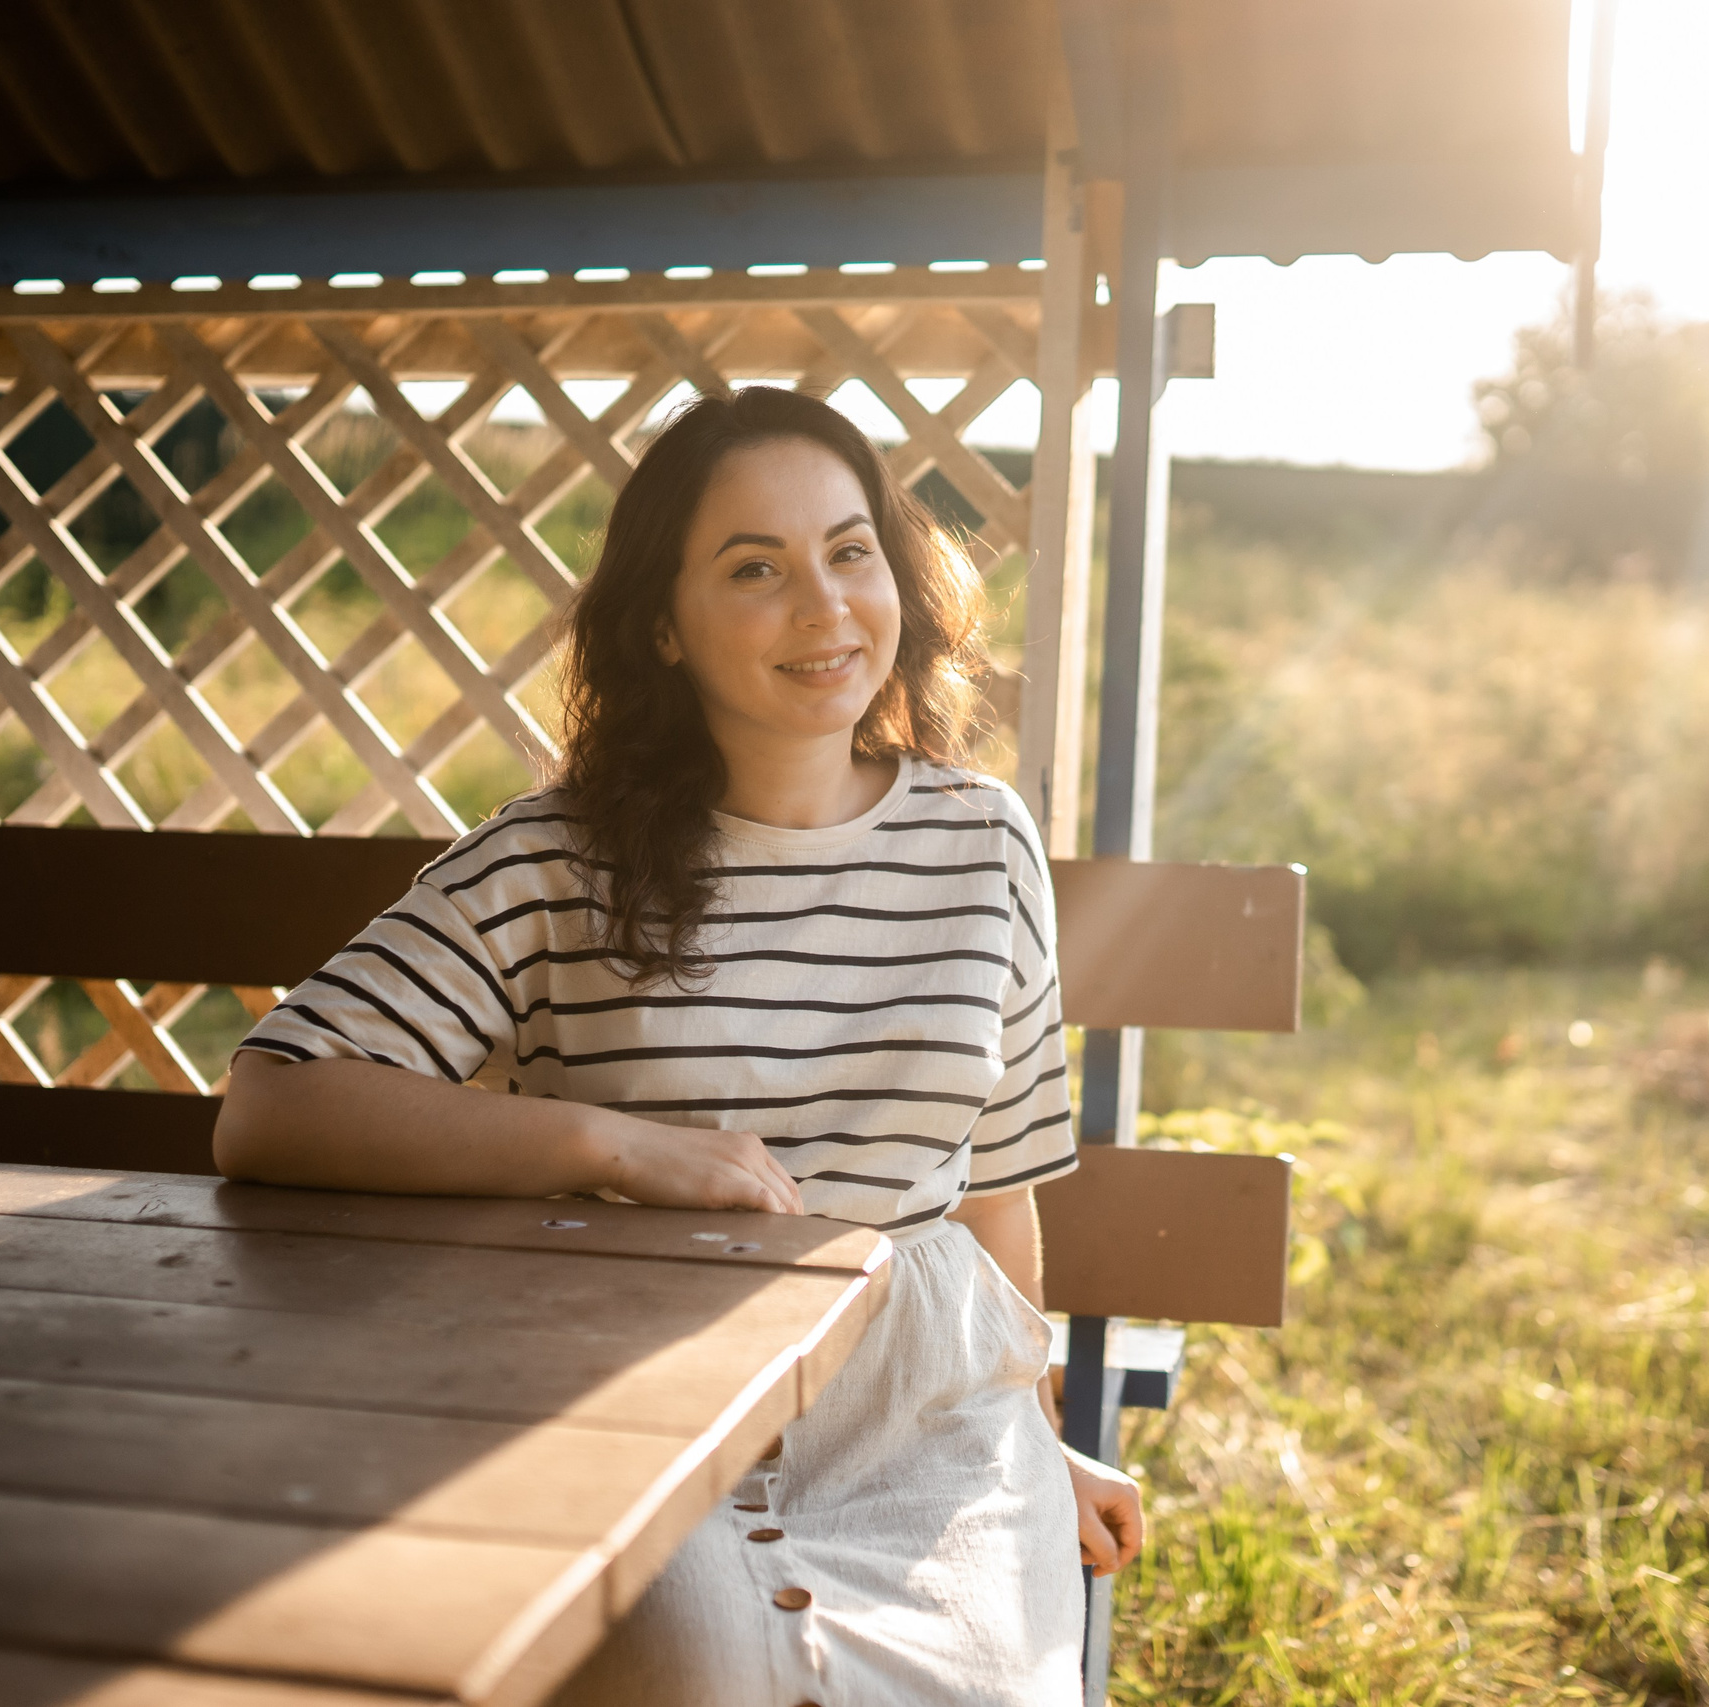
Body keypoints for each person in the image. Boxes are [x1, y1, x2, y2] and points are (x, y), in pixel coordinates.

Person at [215, 385, 1143, 1706]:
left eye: (849, 550)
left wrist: (1038, 1438)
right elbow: (272, 1103)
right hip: (633, 1407)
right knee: (693, 1678)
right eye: (756, 569)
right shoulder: (553, 859)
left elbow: (994, 1177)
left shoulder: (981, 840)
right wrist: (616, 1147)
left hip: (930, 1426)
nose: (823, 606)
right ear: (662, 624)